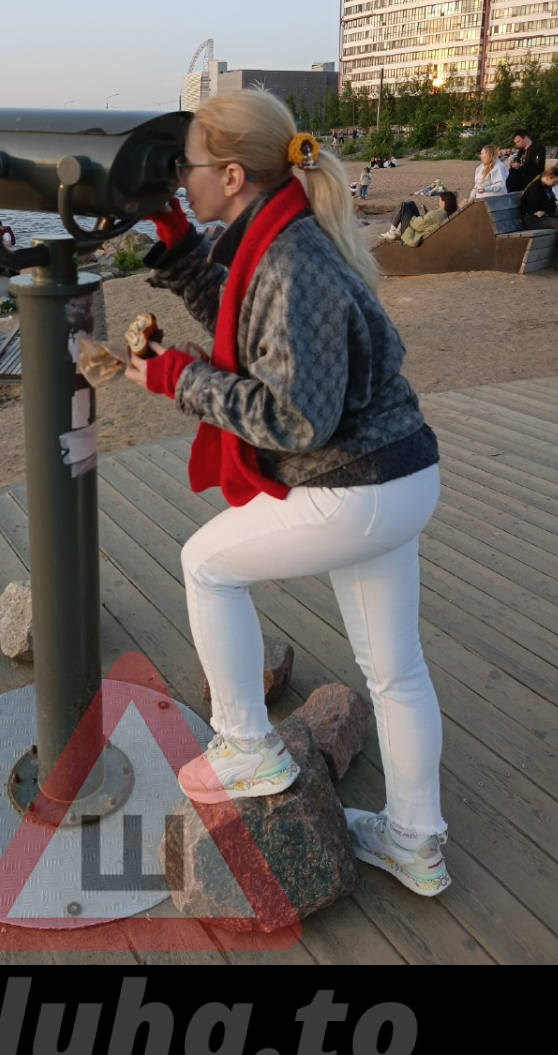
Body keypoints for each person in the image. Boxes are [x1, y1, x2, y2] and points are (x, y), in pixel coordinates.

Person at [125, 90, 450, 898]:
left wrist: (178, 378)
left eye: (187, 168)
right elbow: (255, 332)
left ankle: (246, 744)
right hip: (398, 475)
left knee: (206, 565)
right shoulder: (282, 239)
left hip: (355, 485)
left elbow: (295, 418)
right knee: (395, 672)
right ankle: (416, 842)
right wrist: (177, 244)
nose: (181, 180)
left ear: (233, 176)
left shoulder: (291, 260)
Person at [520, 165, 558, 273]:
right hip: (532, 219)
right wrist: (553, 205)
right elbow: (534, 208)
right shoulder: (535, 187)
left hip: (543, 215)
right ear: (550, 177)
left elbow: (548, 203)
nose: (555, 184)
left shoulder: (546, 186)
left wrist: (556, 204)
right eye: (555, 182)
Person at [378, 191, 458, 245]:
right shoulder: (446, 213)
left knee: (402, 205)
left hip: (413, 233)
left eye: (439, 201)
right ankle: (398, 228)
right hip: (420, 227)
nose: (438, 203)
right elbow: (427, 221)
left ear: (444, 203)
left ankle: (392, 231)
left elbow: (418, 225)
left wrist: (411, 217)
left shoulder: (439, 214)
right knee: (411, 204)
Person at [506, 127, 546, 195]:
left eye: (518, 141)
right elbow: (518, 164)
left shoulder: (538, 148)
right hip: (520, 184)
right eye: (515, 142)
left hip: (532, 183)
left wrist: (520, 167)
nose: (517, 144)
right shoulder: (521, 151)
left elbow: (538, 167)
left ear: (525, 137)